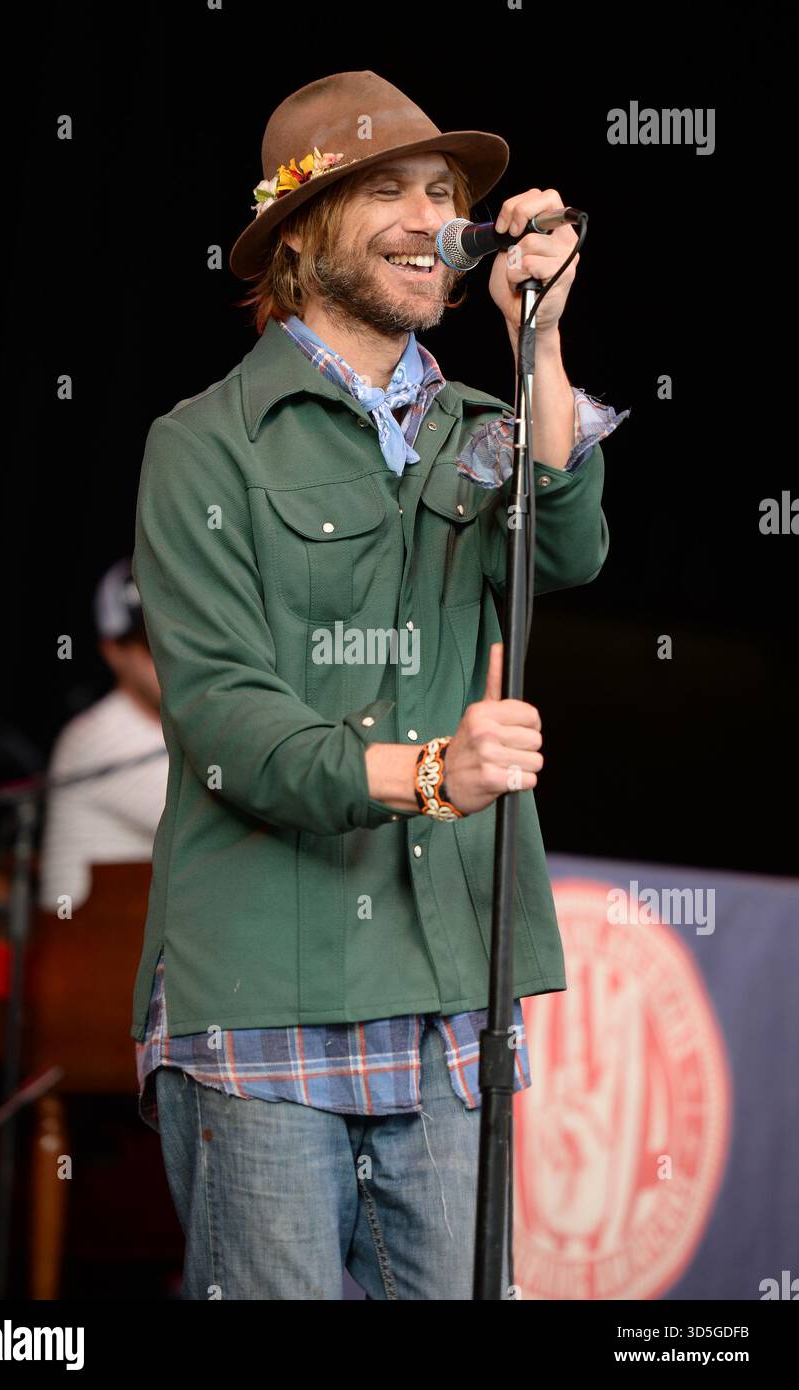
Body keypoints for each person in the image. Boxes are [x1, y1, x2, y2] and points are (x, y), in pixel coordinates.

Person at [130, 70, 628, 1300]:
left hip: (447, 988)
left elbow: (564, 550)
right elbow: (223, 719)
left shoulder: (481, 419)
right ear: (300, 232)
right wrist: (430, 773)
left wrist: (538, 339)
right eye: (387, 191)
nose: (430, 218)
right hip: (262, 985)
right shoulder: (203, 443)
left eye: (443, 193)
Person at [37, 558, 167, 914]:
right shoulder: (95, 736)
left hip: (134, 938)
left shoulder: (179, 729)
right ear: (113, 652)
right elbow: (216, 826)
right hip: (89, 946)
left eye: (176, 637)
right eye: (148, 642)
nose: (167, 655)